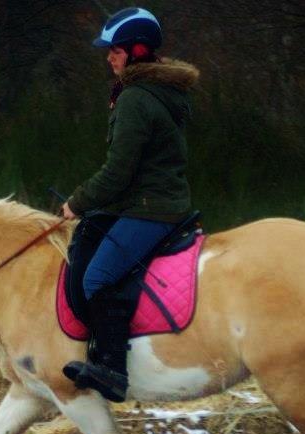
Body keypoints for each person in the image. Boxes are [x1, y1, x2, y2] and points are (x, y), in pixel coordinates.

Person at [61, 7, 200, 402]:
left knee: (97, 277)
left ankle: (111, 370)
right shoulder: (157, 91)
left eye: (116, 51)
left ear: (138, 51)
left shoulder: (137, 98)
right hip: (149, 201)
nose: (109, 57)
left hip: (150, 208)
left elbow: (118, 172)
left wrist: (77, 202)